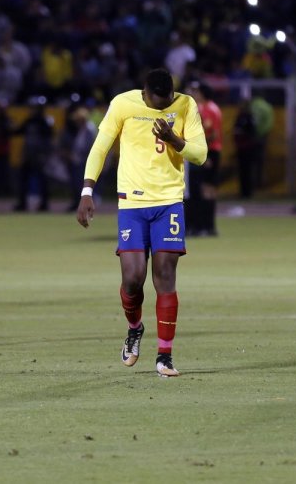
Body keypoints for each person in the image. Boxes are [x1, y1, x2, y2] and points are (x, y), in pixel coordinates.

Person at [75, 68, 208, 378]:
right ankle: (135, 328)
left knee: (164, 276)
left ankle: (165, 356)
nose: (162, 108)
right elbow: (100, 147)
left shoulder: (186, 105)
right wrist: (86, 190)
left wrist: (175, 139)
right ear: (144, 93)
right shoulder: (123, 104)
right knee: (133, 279)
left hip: (169, 203)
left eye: (167, 103)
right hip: (132, 204)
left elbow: (200, 155)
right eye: (155, 104)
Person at [185, 81, 222, 236]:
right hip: (211, 150)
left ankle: (206, 227)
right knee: (207, 190)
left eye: (196, 91)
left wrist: (203, 154)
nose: (194, 94)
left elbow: (212, 133)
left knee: (206, 190)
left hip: (210, 151)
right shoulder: (210, 108)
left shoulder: (208, 109)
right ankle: (207, 227)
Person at [14, 96, 54, 212]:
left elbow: (49, 139)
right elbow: (18, 131)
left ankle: (44, 204)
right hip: (28, 154)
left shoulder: (45, 121)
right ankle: (22, 203)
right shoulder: (30, 121)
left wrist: (45, 154)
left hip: (39, 155)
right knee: (23, 179)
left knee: (42, 180)